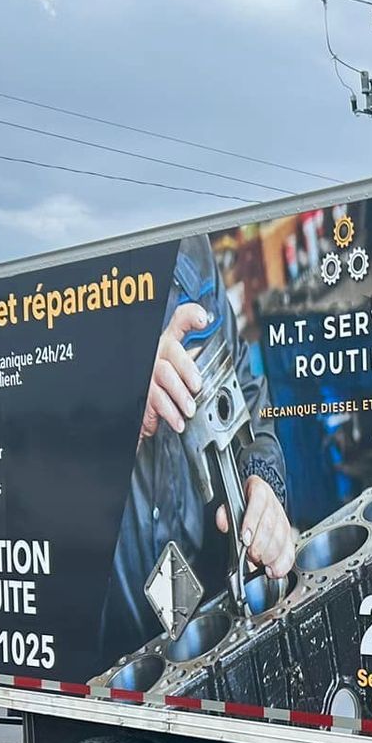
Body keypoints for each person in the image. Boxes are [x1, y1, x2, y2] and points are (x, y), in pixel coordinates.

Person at [101, 234, 294, 654]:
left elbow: (244, 388)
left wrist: (263, 481)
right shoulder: (47, 272)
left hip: (200, 591)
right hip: (107, 637)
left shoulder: (189, 245)